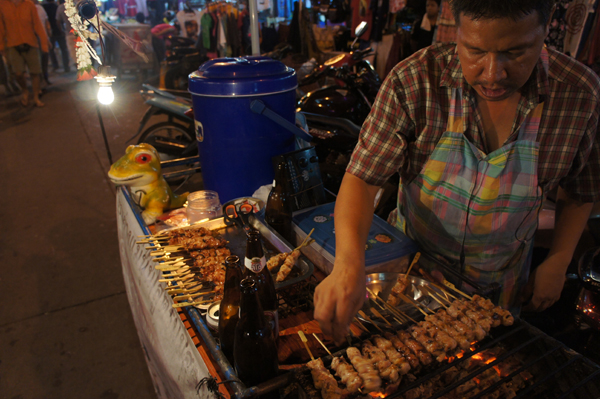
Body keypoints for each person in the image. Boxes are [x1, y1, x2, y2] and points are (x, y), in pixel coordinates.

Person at [313, 0, 600, 344]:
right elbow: (362, 177)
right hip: (411, 277)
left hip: (502, 288)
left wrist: (558, 259)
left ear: (546, 27)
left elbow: (580, 188)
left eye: (516, 52)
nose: (492, 73)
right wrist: (348, 262)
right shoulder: (415, 80)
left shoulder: (578, 94)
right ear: (457, 30)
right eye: (475, 51)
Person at [0, 0, 50, 107]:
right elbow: (1, 27)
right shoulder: (3, 5)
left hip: (30, 42)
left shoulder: (29, 4)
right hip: (12, 44)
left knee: (35, 72)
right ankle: (25, 91)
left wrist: (44, 43)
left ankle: (36, 97)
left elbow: (37, 24)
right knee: (18, 73)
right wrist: (1, 46)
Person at [42, 0, 71, 72]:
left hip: (51, 31)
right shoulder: (57, 7)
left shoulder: (45, 7)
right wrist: (61, 30)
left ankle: (56, 65)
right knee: (63, 49)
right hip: (57, 31)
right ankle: (65, 66)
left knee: (52, 49)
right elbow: (58, 21)